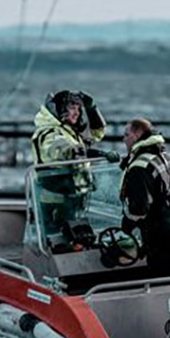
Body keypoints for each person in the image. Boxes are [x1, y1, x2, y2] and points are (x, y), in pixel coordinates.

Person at [30, 90, 118, 242]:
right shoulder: (49, 133)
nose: (76, 112)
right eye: (72, 107)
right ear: (60, 109)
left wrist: (92, 109)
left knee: (73, 238)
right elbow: (68, 151)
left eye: (79, 108)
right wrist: (101, 154)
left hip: (72, 197)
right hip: (55, 201)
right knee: (58, 240)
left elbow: (97, 133)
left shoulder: (69, 131)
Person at [120, 118, 170, 277]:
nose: (123, 139)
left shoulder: (139, 166)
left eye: (126, 135)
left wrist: (127, 224)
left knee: (160, 278)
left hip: (163, 229)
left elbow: (140, 207)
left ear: (138, 134)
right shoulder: (166, 156)